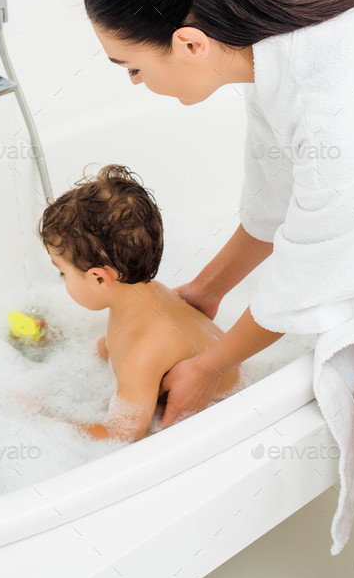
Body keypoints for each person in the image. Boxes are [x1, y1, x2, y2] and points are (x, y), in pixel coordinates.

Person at [82, 0, 354, 578]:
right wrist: (207, 291)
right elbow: (277, 204)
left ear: (189, 44)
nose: (136, 85)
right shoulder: (278, 36)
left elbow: (308, 283)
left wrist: (211, 365)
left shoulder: (348, 125)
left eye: (131, 69)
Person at [35, 164, 241, 442]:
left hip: (227, 409)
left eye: (63, 273)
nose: (62, 279)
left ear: (99, 279)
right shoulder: (148, 293)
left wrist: (46, 419)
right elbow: (115, 343)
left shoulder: (142, 354)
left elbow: (121, 434)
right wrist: (63, 342)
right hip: (223, 367)